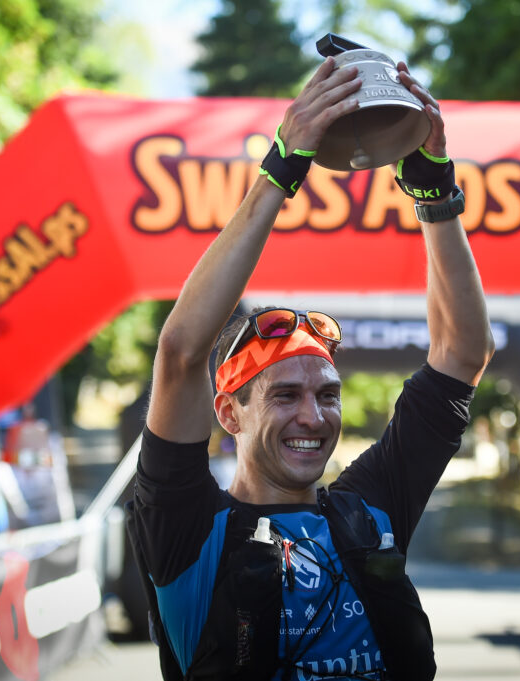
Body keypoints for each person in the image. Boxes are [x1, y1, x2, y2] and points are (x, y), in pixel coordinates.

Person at [128, 55, 494, 681]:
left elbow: (463, 352)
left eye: (327, 394)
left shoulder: (368, 511)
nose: (313, 416)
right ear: (229, 413)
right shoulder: (188, 529)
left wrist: (434, 192)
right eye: (285, 394)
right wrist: (282, 166)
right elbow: (183, 353)